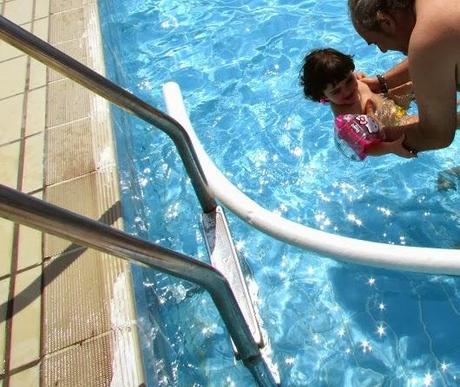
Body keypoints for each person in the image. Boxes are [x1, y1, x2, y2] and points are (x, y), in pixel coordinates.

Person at [348, 0, 460, 157]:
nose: (383, 49)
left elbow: (436, 135)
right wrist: (381, 83)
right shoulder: (434, 11)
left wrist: (368, 138)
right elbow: (441, 50)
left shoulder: (427, 43)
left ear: (386, 22)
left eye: (375, 42)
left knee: (444, 181)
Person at [299, 48, 415, 157]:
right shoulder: (347, 119)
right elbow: (367, 149)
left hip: (390, 103)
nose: (347, 90)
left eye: (349, 80)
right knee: (425, 124)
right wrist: (391, 148)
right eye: (336, 91)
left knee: (415, 81)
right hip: (393, 125)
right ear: (323, 96)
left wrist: (360, 76)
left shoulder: (351, 78)